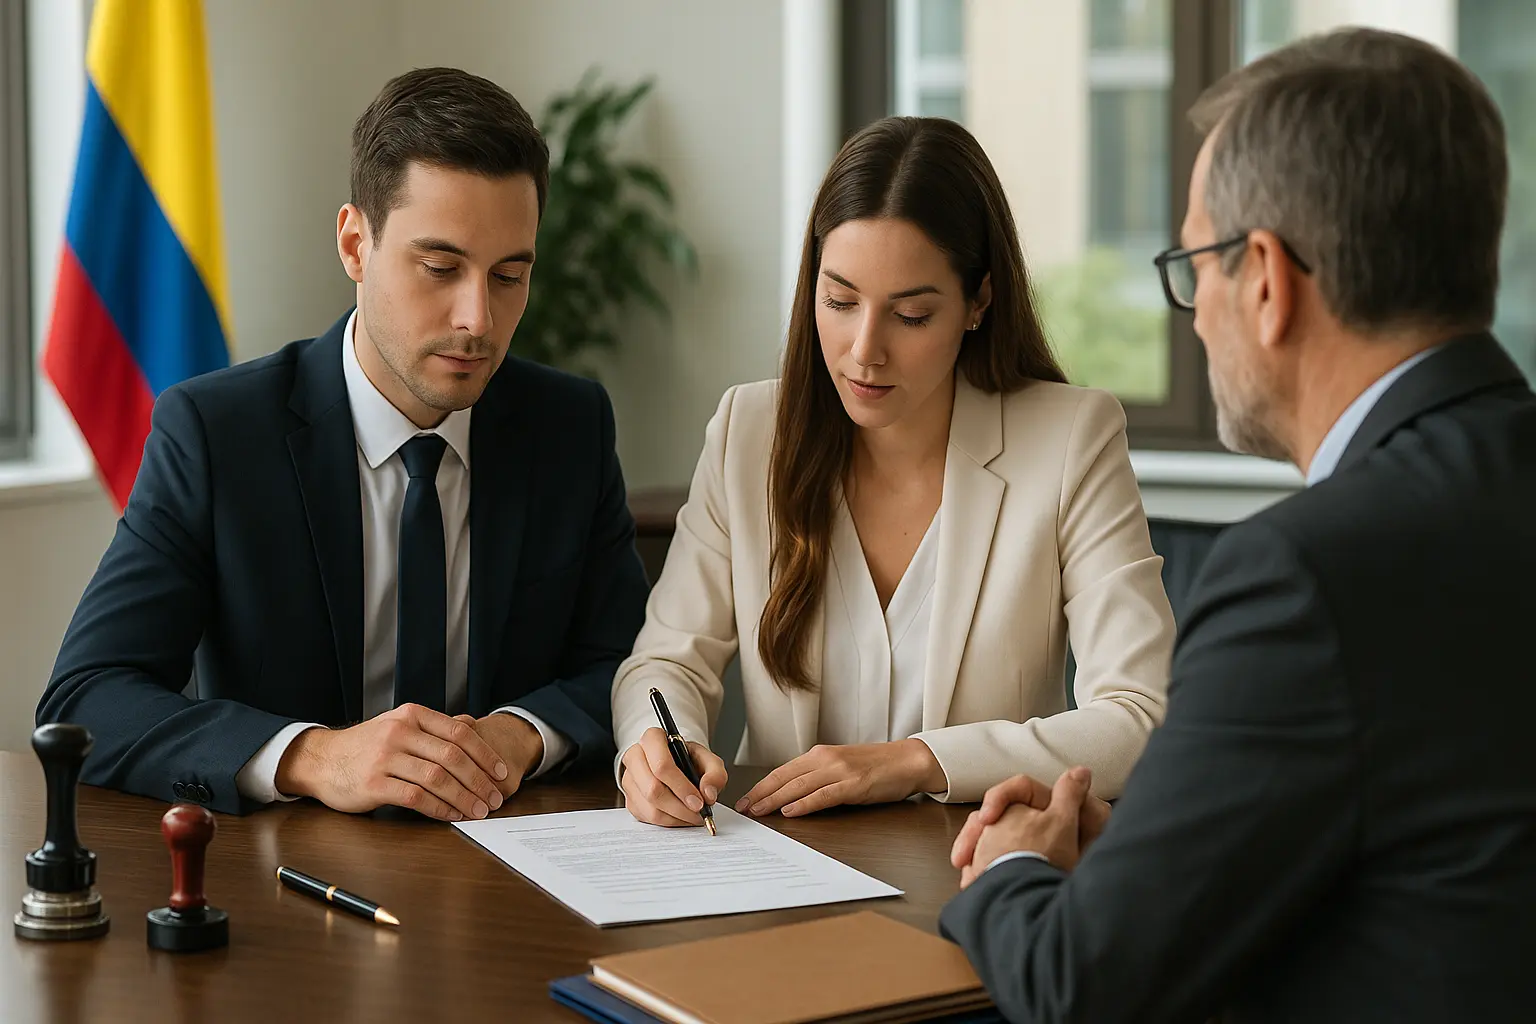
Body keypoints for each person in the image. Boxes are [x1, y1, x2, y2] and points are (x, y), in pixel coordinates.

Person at [942, 27, 1536, 1024]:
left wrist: (1008, 868)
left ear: (1263, 278)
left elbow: (1079, 985)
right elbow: (1445, 860)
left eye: (1196, 264)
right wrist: (1162, 855)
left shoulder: (1304, 576)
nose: (1196, 312)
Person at [38, 68, 649, 822]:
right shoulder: (216, 433)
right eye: (441, 269)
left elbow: (632, 666)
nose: (478, 319)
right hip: (285, 867)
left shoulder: (570, 425)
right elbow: (86, 698)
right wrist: (315, 756)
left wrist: (519, 734)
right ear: (356, 245)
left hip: (509, 854)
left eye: (508, 276)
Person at [611, 116, 1176, 829]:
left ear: (978, 302)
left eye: (910, 315)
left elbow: (1141, 714)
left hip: (976, 863)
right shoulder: (746, 431)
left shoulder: (1071, 440)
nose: (864, 350)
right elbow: (666, 663)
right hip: (774, 861)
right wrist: (657, 749)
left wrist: (915, 760)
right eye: (840, 301)